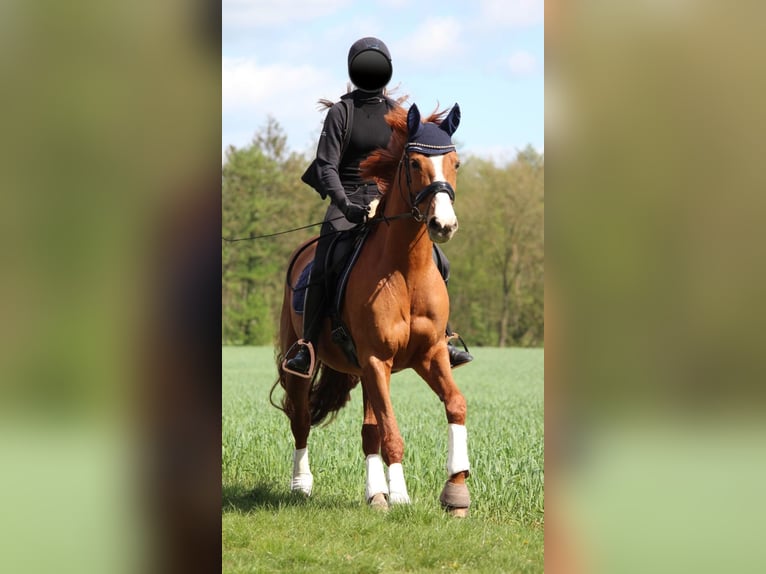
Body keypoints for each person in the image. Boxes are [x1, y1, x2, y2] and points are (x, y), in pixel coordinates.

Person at [285, 37, 472, 377]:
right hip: (347, 200)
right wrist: (345, 203)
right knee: (326, 259)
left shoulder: (396, 115)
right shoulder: (341, 113)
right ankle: (307, 346)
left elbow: (410, 166)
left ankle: (443, 335)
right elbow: (326, 166)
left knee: (438, 260)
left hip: (387, 202)